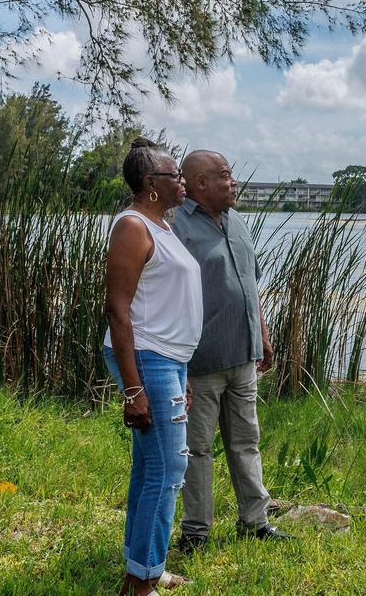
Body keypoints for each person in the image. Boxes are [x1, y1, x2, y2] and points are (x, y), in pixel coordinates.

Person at [171, 149, 290, 551]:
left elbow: (249, 285)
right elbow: (168, 294)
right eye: (224, 176)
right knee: (198, 448)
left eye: (232, 175)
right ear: (199, 183)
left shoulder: (238, 221)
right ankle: (196, 532)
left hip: (243, 355)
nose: (232, 182)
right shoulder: (177, 226)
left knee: (246, 440)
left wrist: (264, 336)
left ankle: (255, 521)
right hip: (200, 361)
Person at [103, 138, 202, 596]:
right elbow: (117, 310)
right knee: (168, 471)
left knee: (150, 470)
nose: (182, 181)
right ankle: (142, 584)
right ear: (151, 184)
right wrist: (132, 389)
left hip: (170, 360)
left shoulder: (163, 226)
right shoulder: (133, 226)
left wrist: (184, 373)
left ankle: (142, 567)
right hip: (147, 357)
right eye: (174, 175)